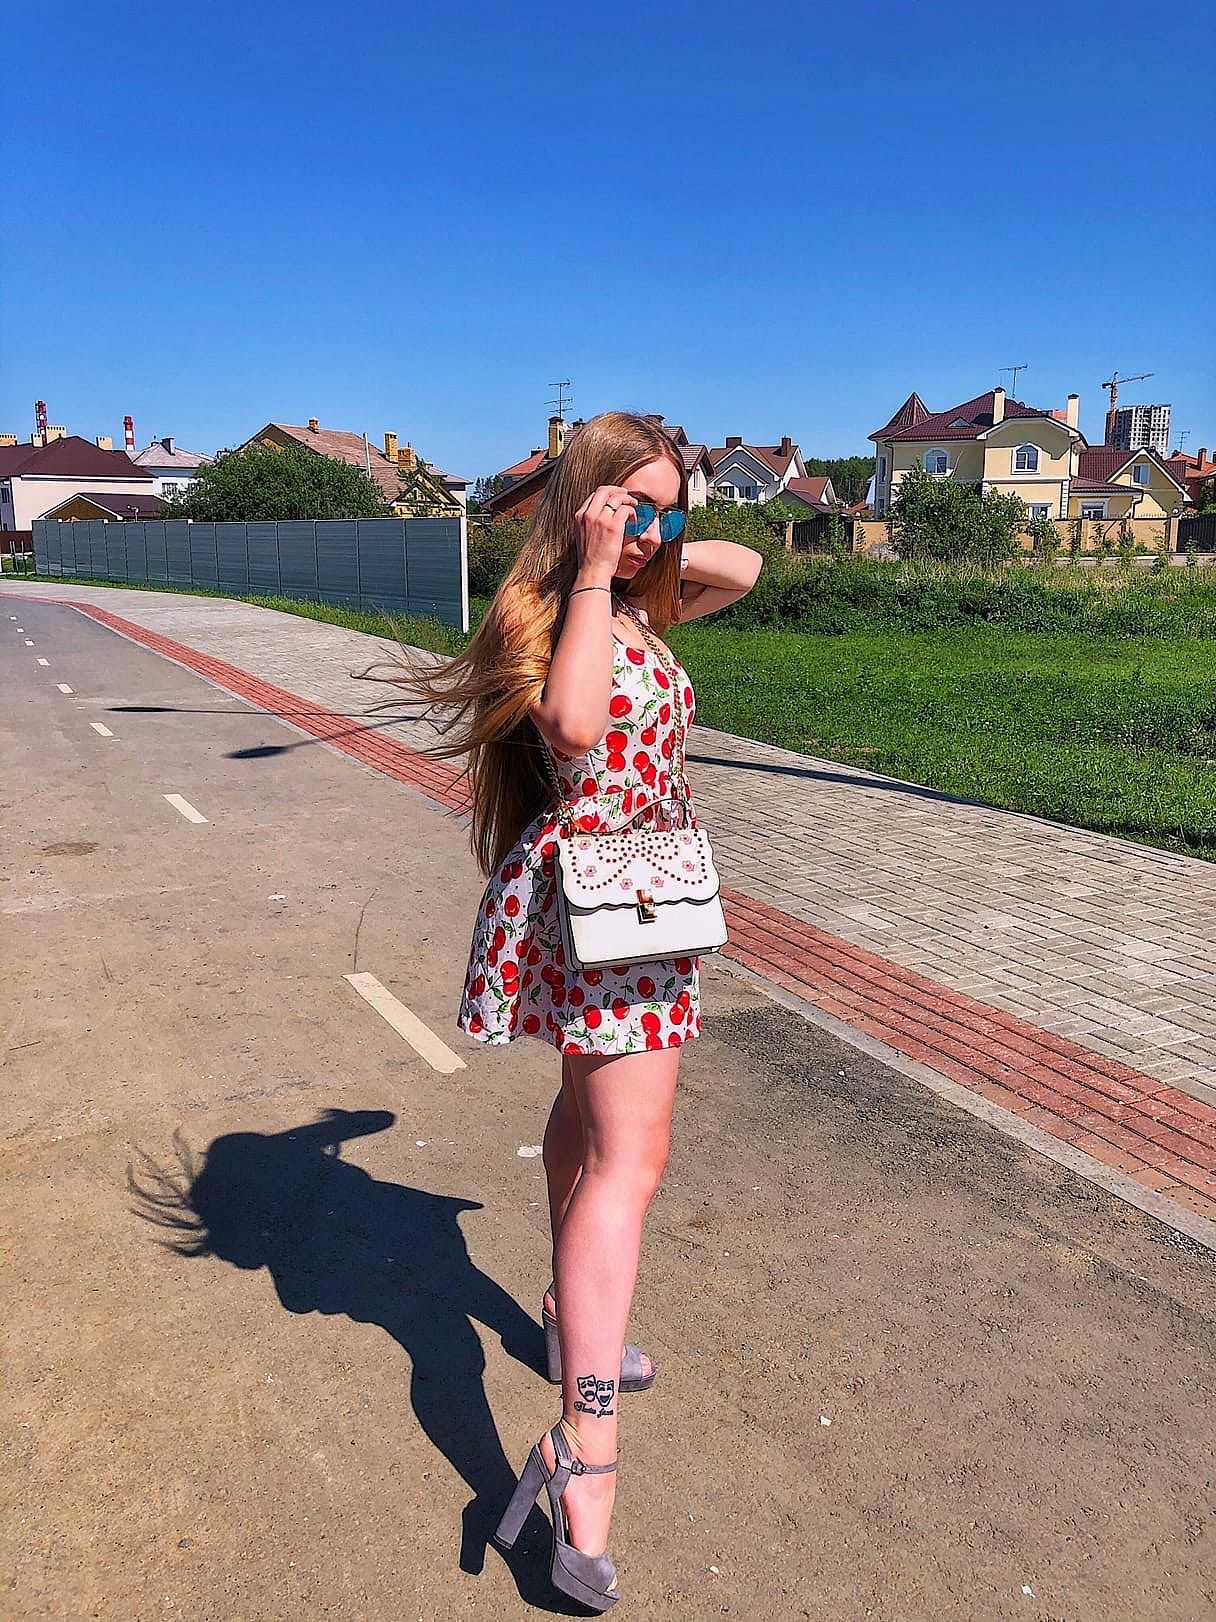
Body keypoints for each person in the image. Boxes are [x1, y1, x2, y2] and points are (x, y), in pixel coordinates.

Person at [359, 410, 762, 1608]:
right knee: (631, 1162)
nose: (652, 531)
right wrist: (587, 558)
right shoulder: (550, 609)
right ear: (584, 498)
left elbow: (744, 566)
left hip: (645, 897)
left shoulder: (638, 598)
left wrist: (646, 531)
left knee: (594, 1130)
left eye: (665, 510)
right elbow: (578, 729)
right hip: (602, 904)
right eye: (630, 503)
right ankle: (584, 1447)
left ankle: (567, 1323)